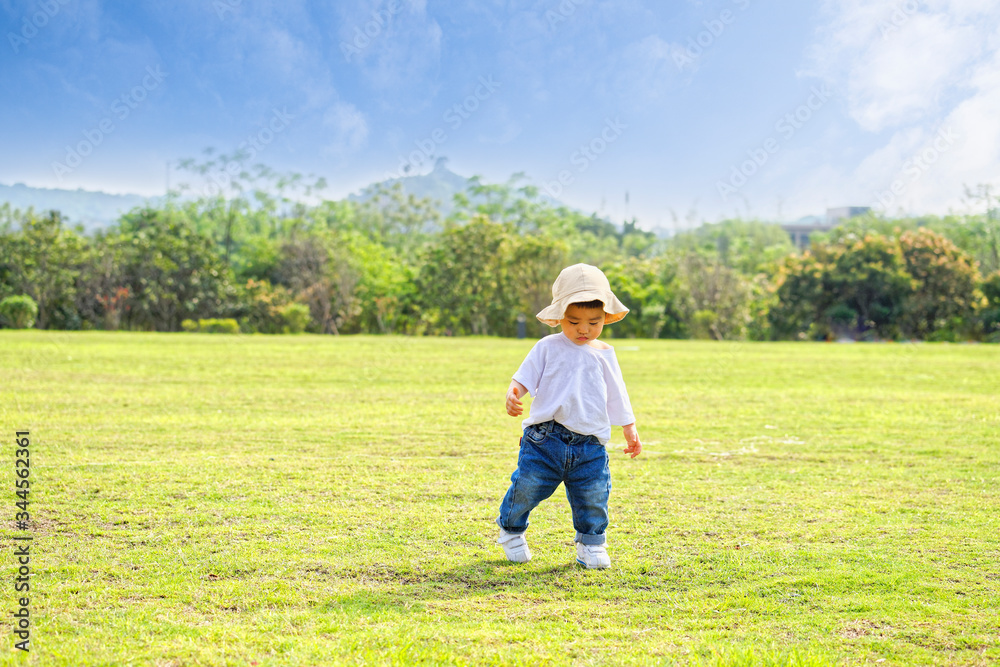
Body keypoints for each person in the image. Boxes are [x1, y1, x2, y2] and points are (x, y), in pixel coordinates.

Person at [495, 263, 642, 569]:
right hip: (544, 440)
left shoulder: (604, 353)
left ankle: (591, 544)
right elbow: (523, 378)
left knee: (594, 496)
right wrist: (513, 394)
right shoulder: (547, 347)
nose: (584, 329)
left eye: (594, 321)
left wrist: (629, 427)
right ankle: (511, 531)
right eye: (574, 321)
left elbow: (617, 393)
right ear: (560, 315)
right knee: (528, 487)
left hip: (590, 444)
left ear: (605, 318)